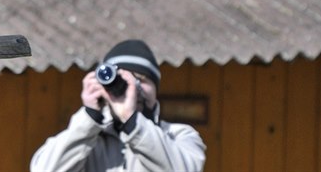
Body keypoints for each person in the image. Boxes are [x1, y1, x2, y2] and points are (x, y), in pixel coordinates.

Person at [30, 40, 206, 172]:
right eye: (123, 79)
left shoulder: (179, 135)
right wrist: (90, 117)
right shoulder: (87, 139)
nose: (132, 87)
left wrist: (132, 122)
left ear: (156, 89)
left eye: (141, 79)